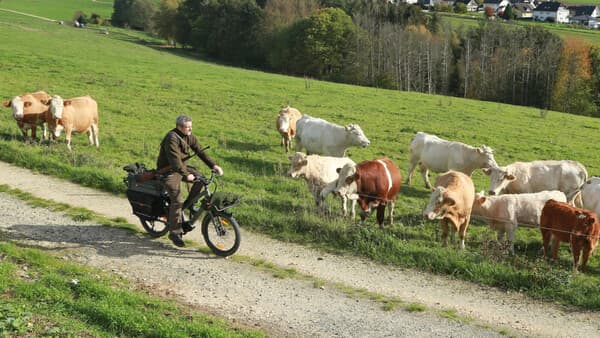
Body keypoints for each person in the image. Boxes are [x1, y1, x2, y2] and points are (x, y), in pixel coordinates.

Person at [157, 115, 223, 247]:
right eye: (188, 127)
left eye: (191, 126)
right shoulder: (172, 138)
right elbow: (175, 161)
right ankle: (175, 232)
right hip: (169, 171)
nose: (190, 129)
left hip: (182, 168)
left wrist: (213, 165)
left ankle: (189, 205)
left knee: (202, 180)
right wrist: (186, 175)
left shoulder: (188, 136)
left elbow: (200, 151)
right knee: (177, 200)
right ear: (179, 127)